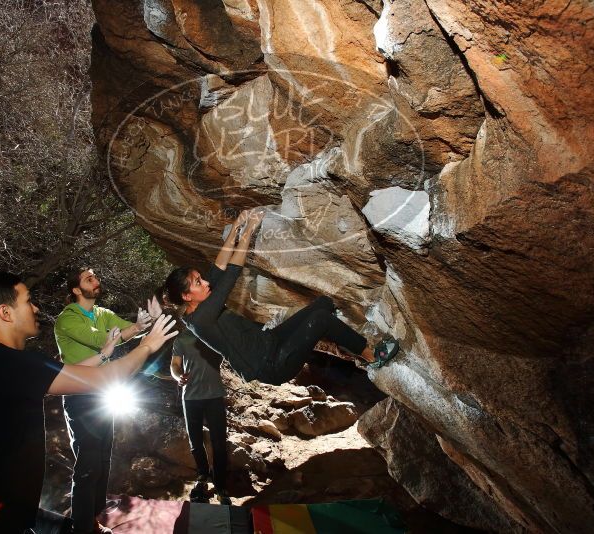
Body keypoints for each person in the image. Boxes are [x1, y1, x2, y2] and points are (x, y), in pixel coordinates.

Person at [0, 272, 177, 534]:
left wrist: (105, 353)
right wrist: (148, 346)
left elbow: (67, 372)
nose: (36, 308)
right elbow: (105, 378)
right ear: (6, 313)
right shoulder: (13, 363)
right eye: (28, 301)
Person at [161, 209, 399, 386]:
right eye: (197, 283)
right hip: (271, 365)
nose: (205, 283)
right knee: (320, 320)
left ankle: (346, 343)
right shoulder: (200, 319)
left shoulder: (200, 301)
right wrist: (249, 231)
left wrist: (236, 226)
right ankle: (371, 356)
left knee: (324, 305)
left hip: (271, 341)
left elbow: (218, 268)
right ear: (186, 296)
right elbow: (231, 273)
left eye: (199, 278)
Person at [54, 267, 158, 534]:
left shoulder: (103, 313)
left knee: (103, 457)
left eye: (96, 277)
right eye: (89, 279)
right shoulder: (67, 319)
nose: (96, 281)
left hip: (103, 393)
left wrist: (144, 324)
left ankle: (92, 520)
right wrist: (134, 329)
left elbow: (126, 330)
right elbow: (101, 340)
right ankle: (82, 528)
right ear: (77, 290)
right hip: (79, 395)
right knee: (88, 463)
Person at [170, 329, 230, 505]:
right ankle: (203, 475)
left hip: (215, 396)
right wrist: (178, 376)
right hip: (190, 397)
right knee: (195, 442)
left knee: (219, 442)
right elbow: (174, 365)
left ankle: (220, 485)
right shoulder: (182, 339)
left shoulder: (215, 335)